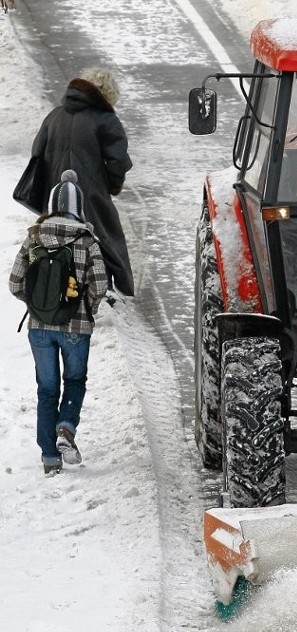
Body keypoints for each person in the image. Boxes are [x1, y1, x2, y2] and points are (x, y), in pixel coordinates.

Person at [9, 170, 109, 476]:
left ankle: (50, 458)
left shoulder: (34, 236)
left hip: (39, 328)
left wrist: (38, 304)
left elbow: (15, 283)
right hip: (76, 328)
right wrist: (86, 307)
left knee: (46, 389)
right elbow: (101, 284)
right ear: (78, 207)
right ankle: (66, 427)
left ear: (51, 205)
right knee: (75, 381)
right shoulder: (87, 240)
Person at [29, 67, 134, 296]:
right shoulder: (106, 120)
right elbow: (118, 160)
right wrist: (113, 183)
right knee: (108, 237)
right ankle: (114, 288)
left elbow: (37, 152)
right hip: (90, 194)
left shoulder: (54, 115)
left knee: (52, 236)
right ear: (108, 94)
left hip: (54, 194)